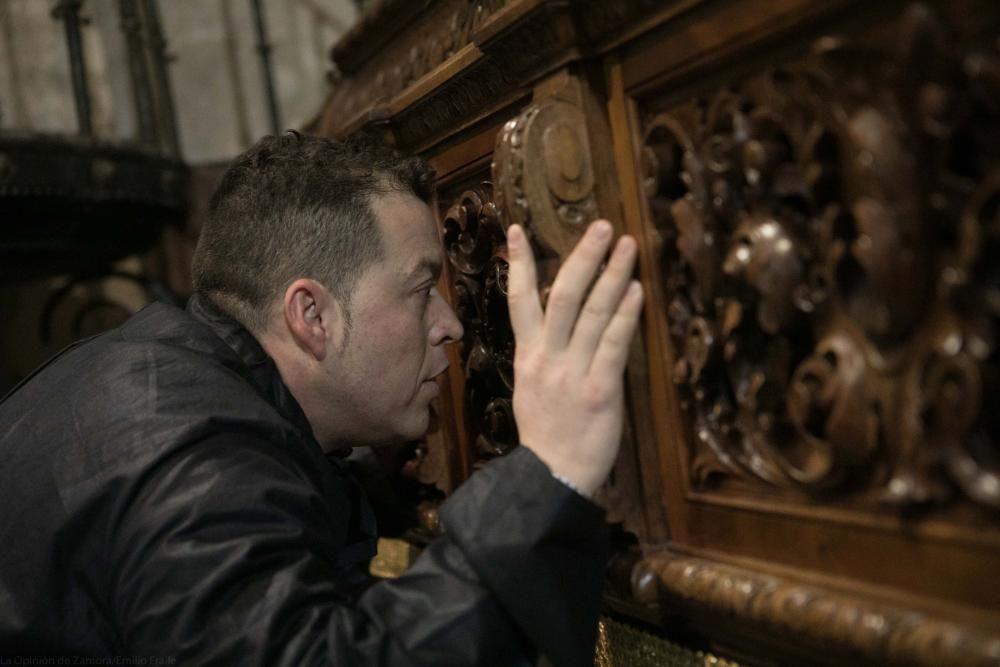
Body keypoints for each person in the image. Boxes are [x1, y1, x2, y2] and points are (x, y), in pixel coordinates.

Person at [0, 132, 643, 665]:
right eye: (422, 289)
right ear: (313, 315)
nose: (449, 324)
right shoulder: (187, 450)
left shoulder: (175, 381)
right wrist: (548, 472)